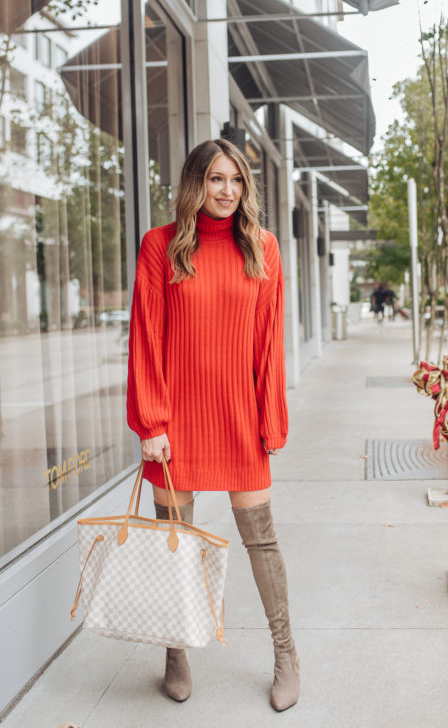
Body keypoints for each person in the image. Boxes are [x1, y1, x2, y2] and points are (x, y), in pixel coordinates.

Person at [126, 138, 299, 711]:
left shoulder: (263, 247)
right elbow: (146, 340)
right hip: (177, 424)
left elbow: (270, 342)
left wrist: (269, 416)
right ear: (194, 184)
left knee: (262, 538)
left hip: (239, 417)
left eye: (236, 180)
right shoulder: (160, 246)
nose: (227, 191)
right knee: (177, 545)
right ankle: (176, 652)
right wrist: (151, 421)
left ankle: (285, 654)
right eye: (215, 179)